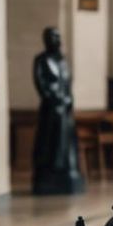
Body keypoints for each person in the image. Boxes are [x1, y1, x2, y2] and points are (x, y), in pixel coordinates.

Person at [32, 27, 84, 194]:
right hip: (51, 111)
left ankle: (65, 169)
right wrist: (55, 99)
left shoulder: (62, 60)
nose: (57, 40)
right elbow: (41, 85)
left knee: (66, 143)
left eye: (58, 37)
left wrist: (68, 99)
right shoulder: (41, 60)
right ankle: (51, 172)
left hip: (66, 110)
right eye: (53, 37)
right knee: (50, 144)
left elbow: (68, 83)